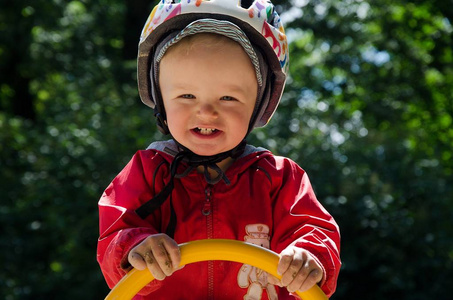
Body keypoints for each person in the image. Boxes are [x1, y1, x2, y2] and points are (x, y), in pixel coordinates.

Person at [97, 1, 341, 299]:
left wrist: (307, 257)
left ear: (258, 105)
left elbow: (312, 230)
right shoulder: (145, 172)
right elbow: (115, 236)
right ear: (161, 100)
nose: (207, 112)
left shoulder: (280, 179)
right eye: (187, 95)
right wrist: (135, 248)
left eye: (228, 97)